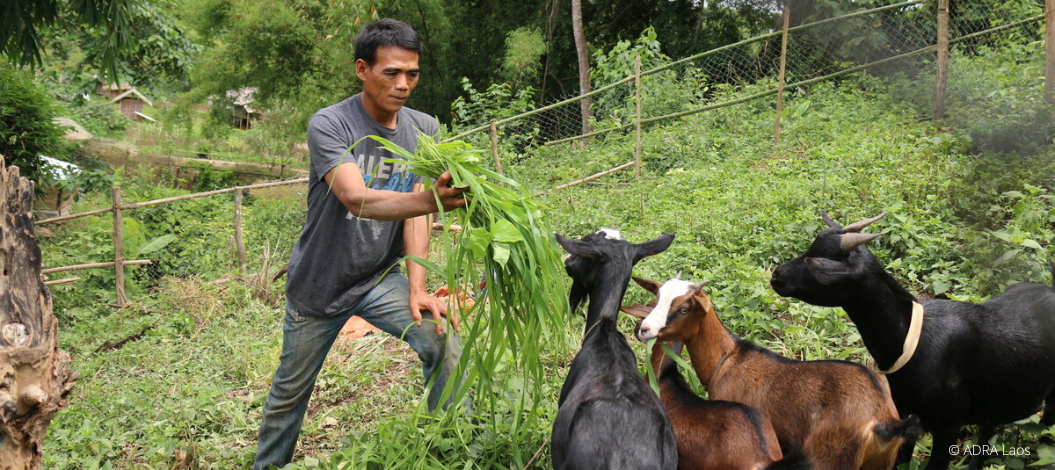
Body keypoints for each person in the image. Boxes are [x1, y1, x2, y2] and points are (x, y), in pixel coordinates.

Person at [253, 18, 468, 469]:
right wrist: (431, 198)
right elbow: (355, 198)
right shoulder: (330, 124)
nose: (404, 84)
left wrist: (417, 288)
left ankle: (448, 450)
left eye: (412, 73)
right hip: (320, 283)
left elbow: (417, 214)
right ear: (361, 70)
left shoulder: (425, 127)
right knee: (289, 395)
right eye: (391, 73)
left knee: (442, 342)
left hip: (379, 276)